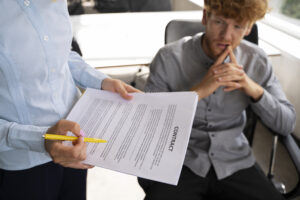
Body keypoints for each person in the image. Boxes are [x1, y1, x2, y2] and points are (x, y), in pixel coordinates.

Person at [138, 0, 296, 199]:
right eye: (219, 22)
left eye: (238, 26)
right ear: (205, 17)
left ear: (248, 28)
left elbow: (287, 124)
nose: (226, 36)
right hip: (180, 161)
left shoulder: (257, 61)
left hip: (235, 161)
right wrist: (198, 92)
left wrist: (253, 88)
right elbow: (148, 126)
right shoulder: (168, 58)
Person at [0, 1, 139, 200]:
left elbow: (61, 55)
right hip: (21, 163)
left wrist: (101, 82)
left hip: (76, 144)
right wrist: (41, 139)